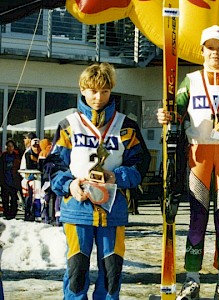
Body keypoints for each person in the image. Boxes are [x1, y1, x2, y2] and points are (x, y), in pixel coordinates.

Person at [157, 25, 219, 300]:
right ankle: (192, 280)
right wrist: (166, 117)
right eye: (210, 47)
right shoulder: (190, 80)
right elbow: (176, 113)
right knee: (197, 218)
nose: (215, 53)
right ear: (202, 51)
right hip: (198, 154)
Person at [47, 62, 150, 299]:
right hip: (77, 208)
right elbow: (54, 165)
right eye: (93, 91)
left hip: (112, 209)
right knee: (77, 269)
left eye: (104, 91)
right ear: (83, 89)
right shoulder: (68, 125)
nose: (98, 97)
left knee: (112, 270)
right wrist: (70, 184)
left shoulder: (126, 125)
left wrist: (117, 176)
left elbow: (140, 164)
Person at [0, 140, 22, 219]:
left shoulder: (16, 156)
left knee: (14, 199)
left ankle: (13, 214)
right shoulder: (3, 156)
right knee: (5, 199)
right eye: (8, 146)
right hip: (5, 180)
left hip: (14, 181)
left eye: (11, 146)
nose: (10, 148)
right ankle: (7, 214)